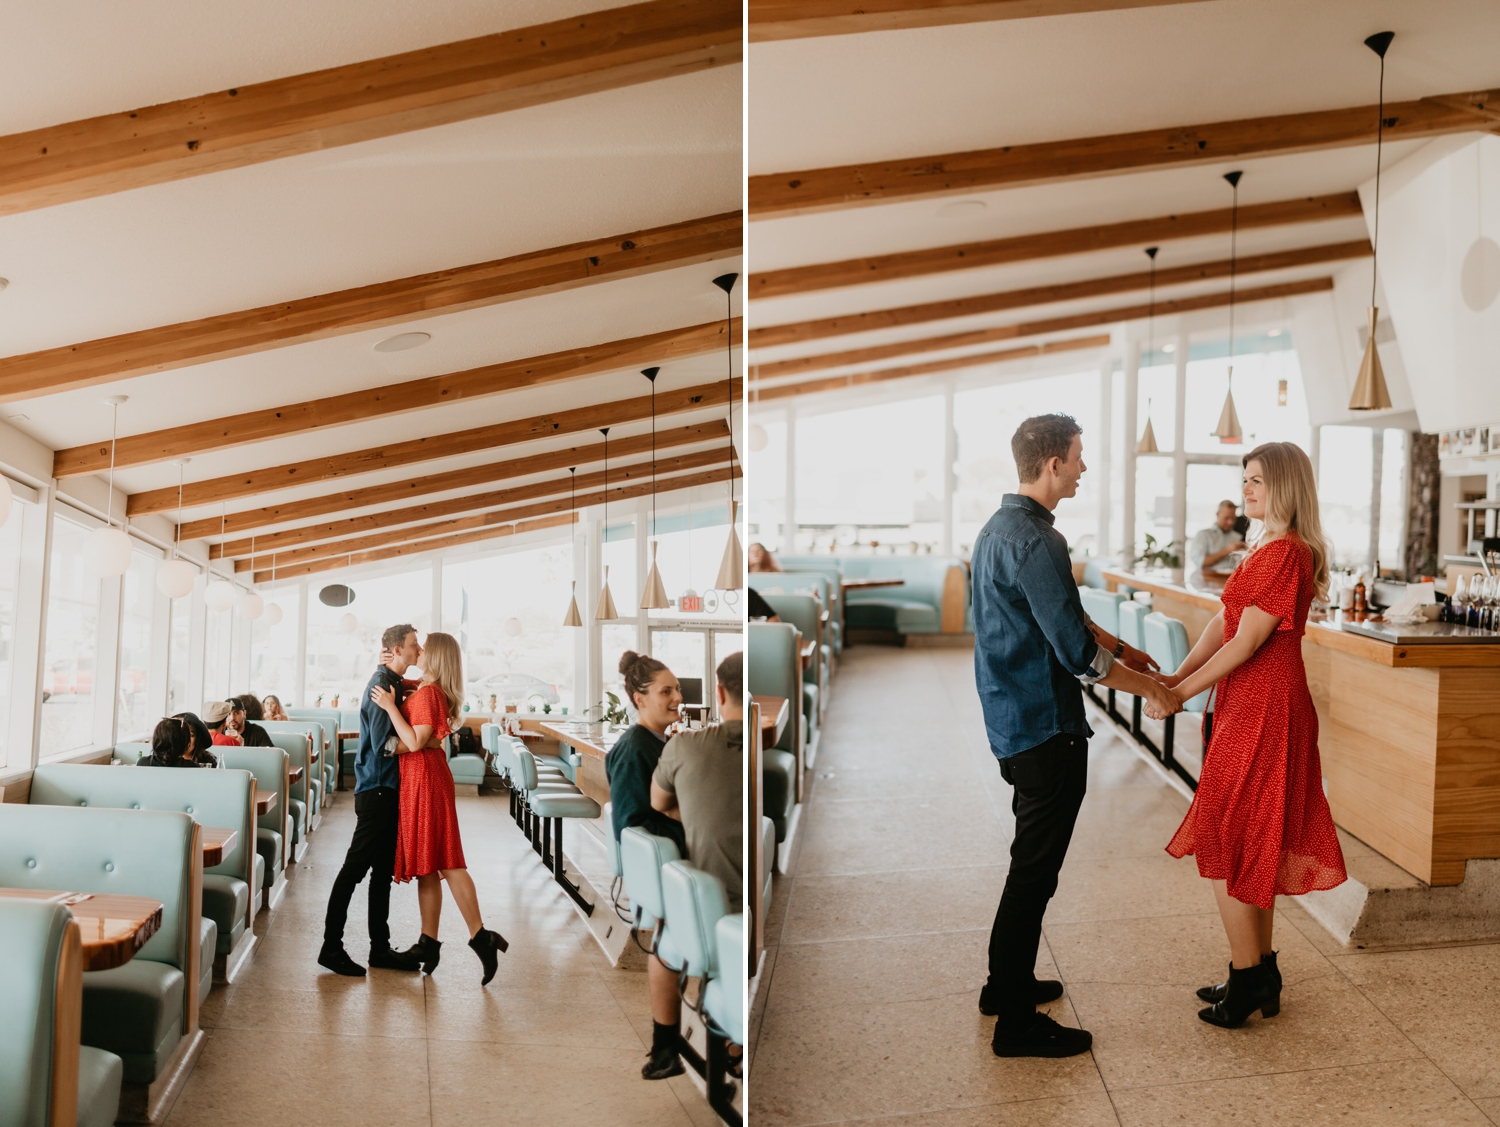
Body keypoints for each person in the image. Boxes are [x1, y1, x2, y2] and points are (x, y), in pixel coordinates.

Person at [972, 413, 1180, 1059]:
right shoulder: (1039, 540)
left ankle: (1001, 984)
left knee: (1027, 864)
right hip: (1046, 728)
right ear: (1052, 462)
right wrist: (1150, 688)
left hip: (1011, 722)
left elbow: (1064, 614)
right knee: (1034, 873)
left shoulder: (998, 529)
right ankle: (1015, 1020)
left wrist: (1124, 646)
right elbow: (1076, 655)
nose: (1084, 467)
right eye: (1079, 456)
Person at [1159, 442, 1347, 1027]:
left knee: (1229, 833)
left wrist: (1178, 696)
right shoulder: (1264, 545)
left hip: (1266, 705)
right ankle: (1258, 971)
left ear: (1285, 486)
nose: (1247, 489)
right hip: (1252, 702)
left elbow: (1247, 642)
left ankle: (1247, 981)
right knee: (1248, 834)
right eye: (1245, 479)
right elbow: (1224, 621)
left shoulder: (1284, 551)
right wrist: (1178, 675)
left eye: (1258, 480)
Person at [372, 631, 508, 985]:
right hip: (419, 778)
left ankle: (481, 936)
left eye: (423, 648)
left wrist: (389, 709)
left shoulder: (430, 693)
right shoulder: (424, 686)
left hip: (426, 779)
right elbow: (422, 730)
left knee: (446, 860)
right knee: (428, 865)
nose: (418, 650)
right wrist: (392, 667)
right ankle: (427, 943)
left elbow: (416, 740)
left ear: (435, 656)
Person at [651, 650, 745, 1075]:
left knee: (662, 951)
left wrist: (698, 808)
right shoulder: (763, 749)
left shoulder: (683, 745)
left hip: (701, 915)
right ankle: (733, 1049)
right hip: (749, 911)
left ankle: (664, 1048)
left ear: (719, 692)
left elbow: (658, 803)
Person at [319, 624, 425, 978]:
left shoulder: (392, 682)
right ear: (396, 650)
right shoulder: (382, 686)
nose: (418, 648)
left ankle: (379, 949)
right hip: (377, 790)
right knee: (354, 871)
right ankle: (331, 947)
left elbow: (417, 682)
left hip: (384, 789)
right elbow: (384, 745)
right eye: (413, 645)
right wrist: (418, 744)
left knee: (381, 875)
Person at [605, 650, 688, 1079]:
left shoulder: (659, 742)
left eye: (677, 688)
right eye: (666, 691)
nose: (677, 697)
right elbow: (634, 824)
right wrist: (684, 818)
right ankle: (669, 1047)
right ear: (639, 698)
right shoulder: (636, 747)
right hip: (669, 869)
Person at [1188, 500, 1249, 574]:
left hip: (1231, 579)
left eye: (1233, 518)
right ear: (1218, 514)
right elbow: (1201, 562)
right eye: (1226, 518)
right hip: (1208, 579)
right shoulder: (1203, 535)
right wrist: (1227, 550)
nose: (1230, 522)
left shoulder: (1237, 537)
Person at [147, 714, 218, 768]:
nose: (186, 739)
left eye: (191, 735)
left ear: (197, 739)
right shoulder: (162, 761)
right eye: (181, 734)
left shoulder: (206, 761)